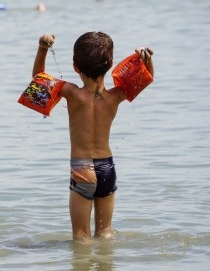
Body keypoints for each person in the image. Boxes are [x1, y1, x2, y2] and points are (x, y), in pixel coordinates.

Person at [32, 32, 154, 242]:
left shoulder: (70, 92)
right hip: (107, 168)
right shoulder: (115, 96)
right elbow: (144, 81)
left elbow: (38, 78)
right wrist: (147, 60)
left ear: (75, 67)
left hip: (82, 169)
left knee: (81, 237)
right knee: (105, 233)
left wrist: (42, 48)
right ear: (110, 65)